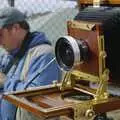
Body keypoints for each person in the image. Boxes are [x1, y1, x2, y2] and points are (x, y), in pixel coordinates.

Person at [0, 7, 61, 120]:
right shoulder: (9, 55)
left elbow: (36, 96)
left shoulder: (44, 54)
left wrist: (5, 82)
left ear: (15, 28)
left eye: (0, 34)